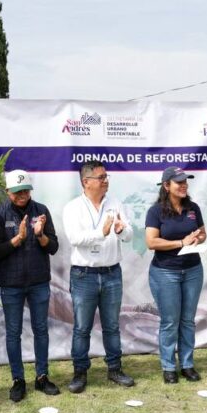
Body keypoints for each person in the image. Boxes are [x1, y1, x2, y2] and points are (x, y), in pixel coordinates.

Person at [62, 161, 136, 393]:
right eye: (101, 177)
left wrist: (121, 230)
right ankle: (80, 372)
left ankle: (115, 368)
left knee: (112, 325)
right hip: (84, 275)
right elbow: (75, 238)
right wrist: (101, 233)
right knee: (82, 327)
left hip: (112, 272)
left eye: (106, 177)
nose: (106, 181)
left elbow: (129, 235)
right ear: (86, 182)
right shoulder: (73, 207)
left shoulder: (115, 203)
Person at [0, 169, 61, 402]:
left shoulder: (41, 211)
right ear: (7, 191)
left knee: (41, 329)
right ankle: (17, 380)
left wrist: (40, 235)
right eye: (17, 191)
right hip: (11, 284)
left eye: (26, 191)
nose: (22, 195)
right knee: (13, 333)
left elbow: (53, 247)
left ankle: (42, 376)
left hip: (38, 281)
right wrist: (18, 239)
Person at [145, 167, 207, 383]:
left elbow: (203, 233)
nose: (184, 185)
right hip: (165, 272)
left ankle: (187, 365)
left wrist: (198, 238)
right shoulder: (156, 212)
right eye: (179, 182)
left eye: (185, 182)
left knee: (188, 320)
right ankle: (169, 366)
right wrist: (181, 242)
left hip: (193, 270)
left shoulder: (193, 208)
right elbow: (151, 242)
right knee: (170, 322)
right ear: (166, 186)